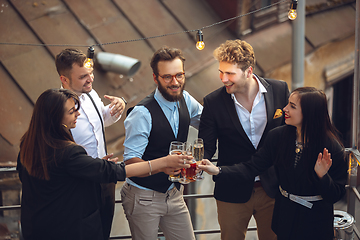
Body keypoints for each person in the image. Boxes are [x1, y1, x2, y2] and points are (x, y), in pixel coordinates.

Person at [17, 88, 192, 240]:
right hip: (68, 228)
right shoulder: (68, 152)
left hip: (37, 226)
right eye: (71, 111)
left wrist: (89, 167)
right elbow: (116, 171)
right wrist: (163, 162)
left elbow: (52, 177)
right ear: (55, 118)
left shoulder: (29, 145)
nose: (77, 114)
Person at [199, 87, 348, 240]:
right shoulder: (278, 137)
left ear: (309, 113)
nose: (285, 109)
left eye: (292, 106)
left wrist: (322, 176)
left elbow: (335, 195)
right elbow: (252, 167)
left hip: (315, 223)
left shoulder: (331, 147)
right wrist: (218, 170)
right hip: (285, 218)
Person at [198, 39, 289, 240]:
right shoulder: (212, 102)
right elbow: (206, 145)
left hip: (273, 188)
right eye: (221, 72)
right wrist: (198, 160)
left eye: (230, 73)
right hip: (232, 190)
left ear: (248, 71)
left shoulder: (280, 89)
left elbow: (291, 132)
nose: (223, 78)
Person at [120, 46, 203, 240]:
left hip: (173, 193)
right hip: (142, 197)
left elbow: (211, 124)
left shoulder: (187, 100)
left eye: (179, 75)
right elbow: (131, 163)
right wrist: (163, 166)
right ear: (155, 78)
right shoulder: (142, 113)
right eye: (167, 77)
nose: (175, 82)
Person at [55, 48, 127, 240]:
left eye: (91, 73)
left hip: (105, 178)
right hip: (80, 182)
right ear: (64, 80)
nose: (91, 79)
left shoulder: (92, 94)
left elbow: (101, 120)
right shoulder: (57, 107)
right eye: (83, 77)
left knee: (104, 231)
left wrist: (118, 106)